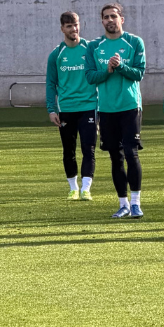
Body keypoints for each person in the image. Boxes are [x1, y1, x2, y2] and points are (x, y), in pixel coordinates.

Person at [85, 3, 146, 219]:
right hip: (106, 109)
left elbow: (139, 73)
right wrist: (108, 70)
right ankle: (123, 204)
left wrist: (121, 67)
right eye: (105, 17)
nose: (110, 20)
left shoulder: (134, 42)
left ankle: (137, 203)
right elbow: (91, 77)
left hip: (130, 107)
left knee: (131, 153)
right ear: (101, 21)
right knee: (115, 157)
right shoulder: (94, 46)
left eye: (113, 16)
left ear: (122, 19)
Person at [45, 11, 97, 201]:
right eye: (69, 26)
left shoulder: (90, 49)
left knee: (88, 148)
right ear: (62, 29)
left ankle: (86, 188)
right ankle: (73, 188)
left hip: (89, 107)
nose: (73, 29)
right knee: (69, 150)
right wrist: (52, 109)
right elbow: (51, 84)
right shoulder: (56, 54)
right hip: (66, 109)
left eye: (75, 25)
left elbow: (99, 77)